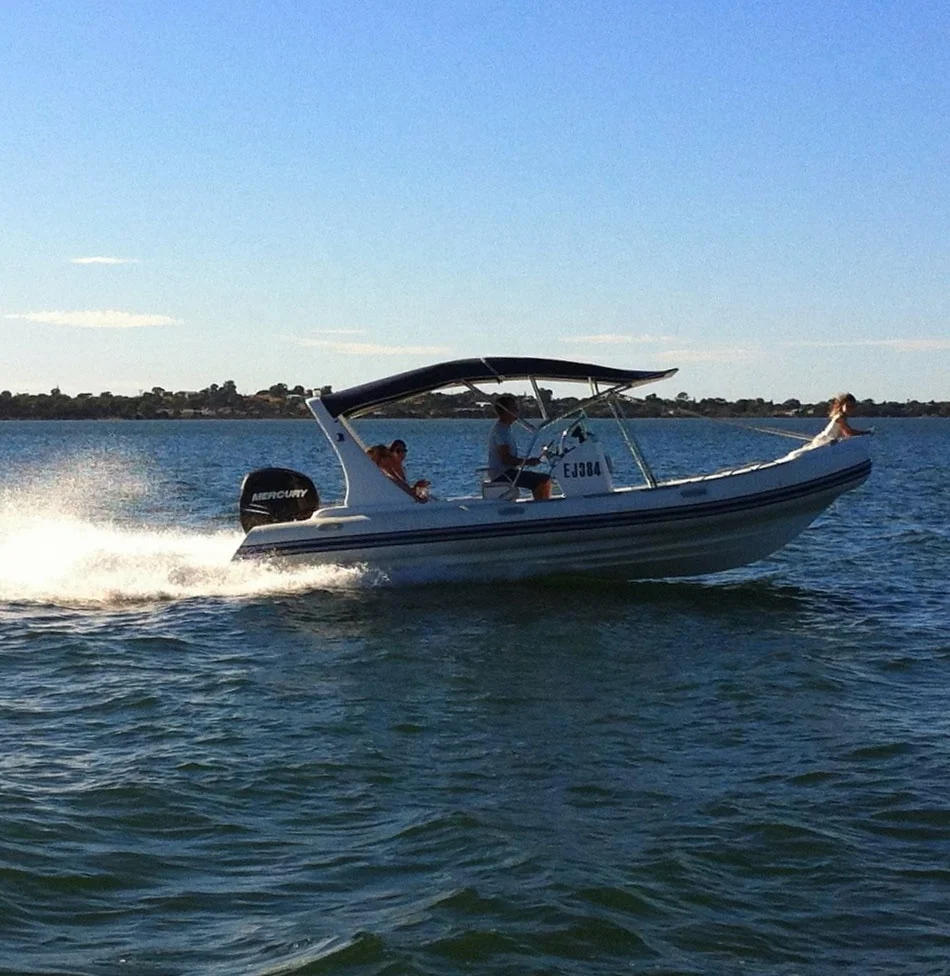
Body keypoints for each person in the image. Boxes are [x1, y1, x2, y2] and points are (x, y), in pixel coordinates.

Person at [487, 394, 551, 500]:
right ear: (505, 410)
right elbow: (506, 459)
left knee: (543, 478)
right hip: (502, 475)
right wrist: (528, 462)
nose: (518, 411)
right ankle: (542, 508)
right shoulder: (500, 431)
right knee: (542, 480)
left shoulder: (505, 429)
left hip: (507, 472)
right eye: (515, 409)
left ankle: (542, 503)